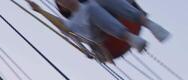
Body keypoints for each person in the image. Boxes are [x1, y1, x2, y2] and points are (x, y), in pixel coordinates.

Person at [27, 0, 170, 53]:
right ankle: (129, 37)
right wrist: (40, 10)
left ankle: (150, 24)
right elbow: (61, 25)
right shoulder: (73, 21)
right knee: (91, 8)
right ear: (63, 8)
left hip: (111, 16)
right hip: (98, 35)